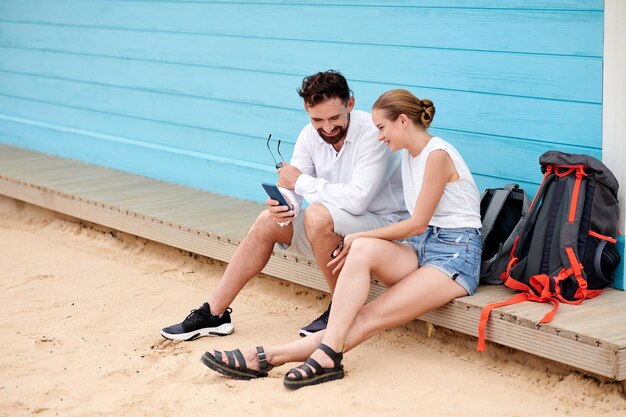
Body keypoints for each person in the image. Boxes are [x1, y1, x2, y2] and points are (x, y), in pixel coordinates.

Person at [199, 89, 483, 389]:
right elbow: (416, 231)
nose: (379, 137)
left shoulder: (436, 154)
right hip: (421, 248)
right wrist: (357, 238)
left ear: (402, 121)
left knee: (366, 315)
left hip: (454, 257)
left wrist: (360, 233)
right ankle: (321, 351)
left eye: (382, 128)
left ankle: (269, 356)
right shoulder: (411, 156)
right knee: (360, 248)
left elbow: (416, 223)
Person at [160, 71, 407, 341]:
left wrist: (300, 182)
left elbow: (358, 201)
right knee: (268, 220)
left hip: (383, 229)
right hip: (335, 227)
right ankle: (214, 314)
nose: (327, 128)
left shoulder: (372, 133)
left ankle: (342, 308)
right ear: (306, 110)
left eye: (335, 118)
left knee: (317, 215)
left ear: (350, 104)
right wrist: (284, 204)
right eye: (317, 119)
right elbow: (292, 189)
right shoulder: (308, 135)